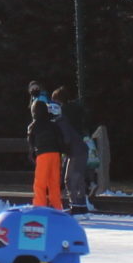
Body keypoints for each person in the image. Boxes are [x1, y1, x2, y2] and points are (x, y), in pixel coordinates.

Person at [53, 86, 96, 215]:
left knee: (71, 177)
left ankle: (77, 204)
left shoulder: (63, 116)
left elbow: (65, 135)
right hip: (79, 146)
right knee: (76, 177)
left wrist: (62, 146)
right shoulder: (77, 111)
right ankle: (80, 203)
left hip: (74, 148)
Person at [26, 83, 67, 210]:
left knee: (40, 183)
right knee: (54, 182)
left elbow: (31, 141)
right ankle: (57, 206)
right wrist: (61, 151)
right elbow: (60, 138)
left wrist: (32, 153)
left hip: (43, 154)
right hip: (55, 154)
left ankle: (39, 206)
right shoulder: (53, 124)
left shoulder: (33, 126)